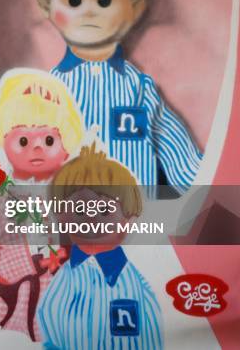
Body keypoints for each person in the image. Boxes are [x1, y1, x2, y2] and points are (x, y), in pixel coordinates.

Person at [35, 0, 202, 194]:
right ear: (47, 7)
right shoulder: (47, 92)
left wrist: (207, 189)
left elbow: (174, 147)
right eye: (74, 0)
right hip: (67, 218)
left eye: (104, 0)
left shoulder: (138, 88)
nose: (88, 11)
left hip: (135, 220)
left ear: (134, 9)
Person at [0, 69, 83, 341]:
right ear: (4, 142)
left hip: (67, 291)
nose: (36, 148)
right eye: (23, 139)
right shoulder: (3, 197)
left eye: (48, 140)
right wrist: (26, 262)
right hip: (16, 300)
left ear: (66, 145)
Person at [39, 144, 163, 349]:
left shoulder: (133, 289)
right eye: (79, 208)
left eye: (104, 209)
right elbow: (50, 330)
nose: (91, 216)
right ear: (60, 217)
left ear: (127, 221)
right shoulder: (61, 283)